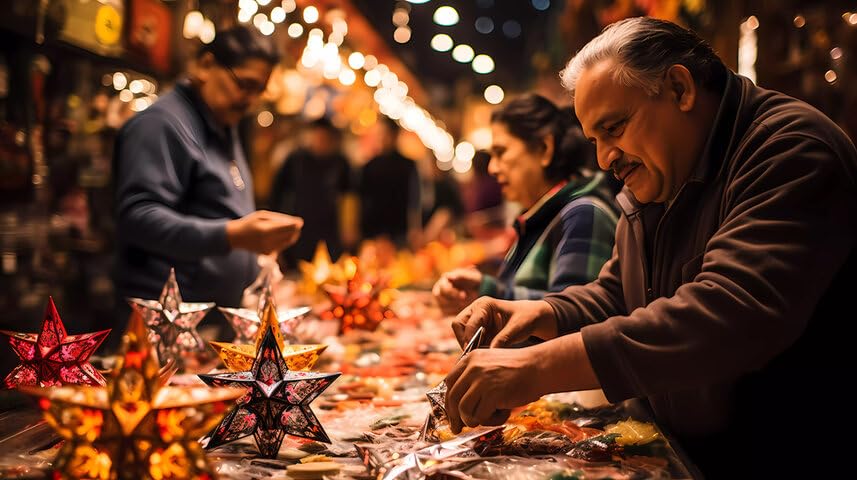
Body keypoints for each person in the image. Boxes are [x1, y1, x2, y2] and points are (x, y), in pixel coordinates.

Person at [444, 17, 857, 477]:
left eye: (615, 128)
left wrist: (536, 367)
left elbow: (728, 312)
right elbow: (619, 293)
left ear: (680, 88)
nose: (605, 158)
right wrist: (543, 315)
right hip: (684, 457)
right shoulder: (662, 173)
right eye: (595, 141)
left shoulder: (790, 150)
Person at [113, 27, 303, 324]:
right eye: (245, 85)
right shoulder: (162, 125)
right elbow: (139, 217)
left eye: (259, 91)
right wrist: (234, 235)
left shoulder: (222, 123)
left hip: (211, 325)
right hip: (166, 327)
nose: (250, 101)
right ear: (205, 66)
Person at [433, 94, 618, 314]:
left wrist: (486, 292)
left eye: (501, 153)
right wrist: (483, 289)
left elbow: (570, 316)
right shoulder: (543, 215)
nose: (492, 168)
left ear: (544, 148)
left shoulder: (584, 215)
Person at [270, 118, 352, 265]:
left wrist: (349, 227)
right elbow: (278, 194)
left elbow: (349, 195)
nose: (321, 141)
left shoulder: (340, 161)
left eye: (325, 138)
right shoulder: (296, 159)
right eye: (318, 136)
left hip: (330, 229)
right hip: (300, 227)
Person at [357, 117, 421, 247]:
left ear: (395, 135)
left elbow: (414, 199)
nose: (382, 138)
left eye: (385, 134)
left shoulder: (408, 165)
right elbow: (361, 200)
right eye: (379, 134)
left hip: (399, 232)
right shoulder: (368, 166)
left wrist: (414, 228)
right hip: (372, 231)